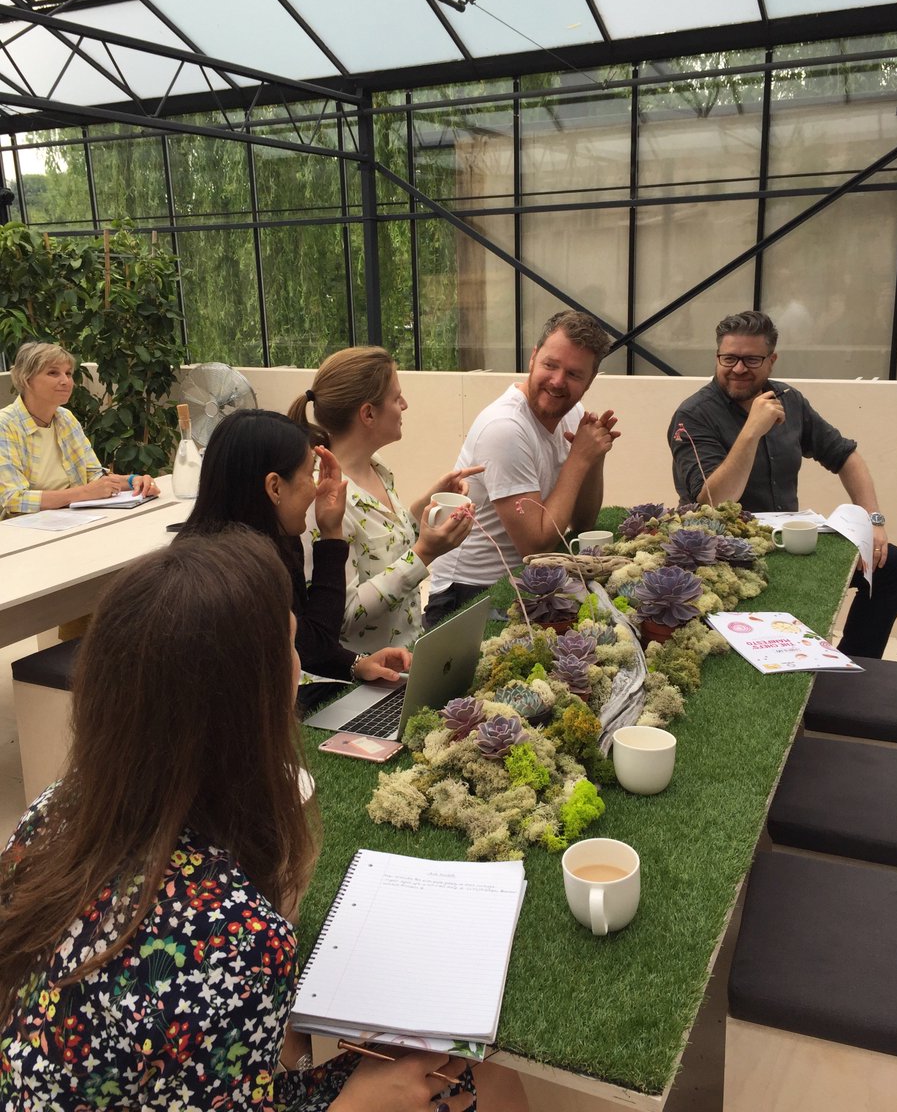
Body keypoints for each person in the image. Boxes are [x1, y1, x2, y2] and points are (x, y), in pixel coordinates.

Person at [0, 531, 526, 1110]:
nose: (299, 667)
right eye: (291, 649)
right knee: (479, 1085)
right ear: (251, 702)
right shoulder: (236, 940)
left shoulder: (51, 813)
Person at [668, 310, 897, 658]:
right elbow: (712, 501)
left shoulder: (790, 399)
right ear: (717, 357)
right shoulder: (693, 415)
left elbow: (845, 456)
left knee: (890, 566)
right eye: (728, 358)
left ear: (771, 360)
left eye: (751, 359)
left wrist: (873, 521)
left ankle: (854, 664)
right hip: (724, 554)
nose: (738, 369)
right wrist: (752, 431)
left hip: (786, 543)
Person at [180, 408, 411, 694]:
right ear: (275, 487)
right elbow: (312, 646)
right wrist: (331, 538)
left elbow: (308, 641)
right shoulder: (233, 578)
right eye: (308, 474)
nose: (315, 490)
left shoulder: (274, 539)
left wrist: (356, 664)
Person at [425, 309, 619, 625]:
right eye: (550, 365)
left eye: (573, 374)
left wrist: (594, 458)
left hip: (526, 582)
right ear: (533, 358)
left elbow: (583, 522)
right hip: (469, 595)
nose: (558, 381)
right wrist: (579, 459)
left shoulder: (573, 413)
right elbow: (535, 544)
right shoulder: (505, 428)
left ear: (590, 381)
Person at [289, 347, 480, 650]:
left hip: (408, 655)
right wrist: (424, 554)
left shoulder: (376, 467)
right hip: (366, 673)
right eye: (396, 398)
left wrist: (430, 500)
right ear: (368, 413)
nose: (405, 405)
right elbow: (343, 614)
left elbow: (390, 543)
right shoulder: (323, 497)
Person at [0, 341, 157, 518]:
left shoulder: (65, 418)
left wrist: (133, 481)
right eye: (53, 373)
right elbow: (13, 499)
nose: (65, 381)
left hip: (73, 519)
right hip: (25, 529)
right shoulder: (4, 425)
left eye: (68, 373)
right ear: (26, 379)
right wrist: (83, 493)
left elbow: (94, 475)